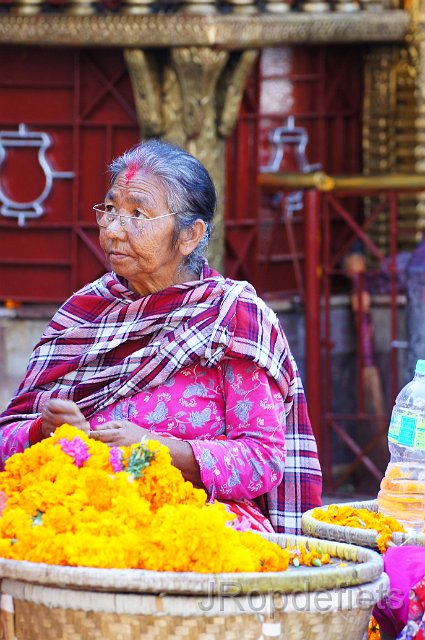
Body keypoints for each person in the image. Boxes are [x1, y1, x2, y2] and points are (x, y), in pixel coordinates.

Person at [0, 139, 322, 534]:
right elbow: (6, 438)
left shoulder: (235, 317)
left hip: (195, 521)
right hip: (79, 504)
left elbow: (263, 460)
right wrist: (44, 432)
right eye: (111, 210)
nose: (114, 230)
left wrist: (157, 450)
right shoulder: (84, 312)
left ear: (190, 235)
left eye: (138, 214)